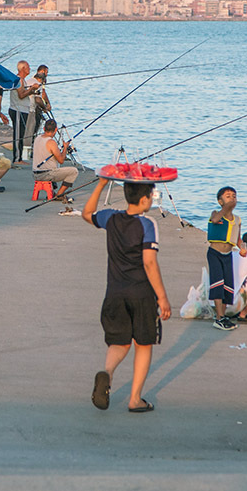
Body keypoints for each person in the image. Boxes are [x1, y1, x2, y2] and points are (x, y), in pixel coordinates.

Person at [82, 176, 171, 414]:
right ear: (143, 200)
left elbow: (87, 213)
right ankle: (135, 399)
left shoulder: (111, 218)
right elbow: (150, 263)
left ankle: (107, 373)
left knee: (119, 342)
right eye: (151, 196)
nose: (152, 199)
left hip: (115, 292)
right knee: (143, 344)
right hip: (141, 294)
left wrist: (100, 184)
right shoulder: (148, 224)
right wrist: (162, 297)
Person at [207, 186, 246, 330]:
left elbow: (238, 238)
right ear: (220, 201)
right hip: (215, 253)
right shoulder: (216, 213)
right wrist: (226, 208)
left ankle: (222, 316)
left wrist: (243, 248)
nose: (232, 198)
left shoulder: (237, 219)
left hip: (227, 255)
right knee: (217, 282)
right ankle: (218, 318)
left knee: (227, 285)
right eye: (228, 196)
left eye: (234, 196)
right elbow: (216, 220)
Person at [31, 119, 77, 199]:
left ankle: (52, 191)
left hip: (35, 173)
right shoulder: (51, 142)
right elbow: (61, 160)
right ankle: (59, 195)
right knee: (74, 171)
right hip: (46, 174)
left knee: (54, 166)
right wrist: (65, 148)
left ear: (44, 129)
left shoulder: (37, 138)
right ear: (56, 129)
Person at [7, 60, 40, 164]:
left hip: (23, 110)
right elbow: (21, 95)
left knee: (21, 135)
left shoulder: (23, 80)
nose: (30, 69)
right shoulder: (19, 80)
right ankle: (16, 159)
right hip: (17, 110)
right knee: (17, 136)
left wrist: (32, 90)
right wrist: (32, 89)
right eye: (28, 67)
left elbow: (24, 93)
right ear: (23, 69)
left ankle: (20, 158)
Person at [30, 65, 52, 137]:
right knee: (34, 127)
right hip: (35, 106)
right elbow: (41, 96)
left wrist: (47, 103)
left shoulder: (38, 79)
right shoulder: (38, 80)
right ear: (42, 71)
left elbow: (43, 93)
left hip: (36, 105)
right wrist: (45, 106)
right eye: (46, 72)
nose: (47, 74)